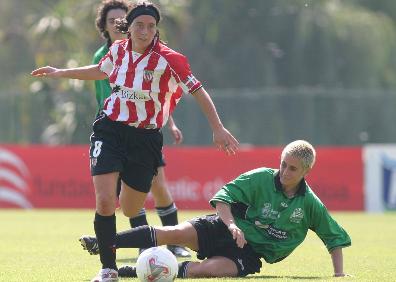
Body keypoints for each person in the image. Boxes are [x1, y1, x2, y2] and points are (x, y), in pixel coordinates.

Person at [31, 1, 239, 281]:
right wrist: (60, 72)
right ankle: (108, 269)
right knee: (105, 202)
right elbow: (99, 70)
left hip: (146, 139)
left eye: (151, 26)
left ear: (156, 29)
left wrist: (218, 127)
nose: (145, 31)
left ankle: (128, 239)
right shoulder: (117, 50)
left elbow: (198, 91)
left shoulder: (169, 59)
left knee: (130, 208)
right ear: (128, 27)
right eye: (139, 25)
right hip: (110, 128)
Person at [80, 140, 351, 279]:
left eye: (292, 168)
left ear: (306, 171)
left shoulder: (309, 204)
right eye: (283, 164)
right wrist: (232, 225)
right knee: (171, 232)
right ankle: (103, 243)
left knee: (203, 271)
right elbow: (223, 198)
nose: (284, 172)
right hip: (222, 226)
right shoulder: (260, 177)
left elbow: (334, 238)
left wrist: (338, 275)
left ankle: (123, 273)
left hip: (249, 253)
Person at [90, 0, 189, 258]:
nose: (117, 23)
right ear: (106, 26)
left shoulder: (157, 56)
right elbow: (104, 88)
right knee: (109, 200)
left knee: (156, 189)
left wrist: (171, 122)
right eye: (111, 20)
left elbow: (156, 94)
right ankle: (130, 250)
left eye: (120, 19)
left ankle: (173, 239)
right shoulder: (105, 56)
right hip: (112, 129)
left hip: (145, 131)